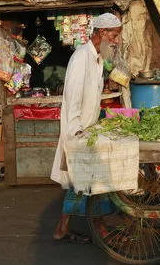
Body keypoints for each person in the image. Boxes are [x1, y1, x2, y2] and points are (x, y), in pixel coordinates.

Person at [50, 13, 122, 244]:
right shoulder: (82, 57)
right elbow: (73, 96)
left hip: (88, 129)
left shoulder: (97, 58)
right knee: (85, 182)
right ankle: (97, 228)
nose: (116, 40)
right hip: (78, 131)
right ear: (102, 33)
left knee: (83, 183)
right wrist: (77, 131)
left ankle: (65, 228)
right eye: (114, 35)